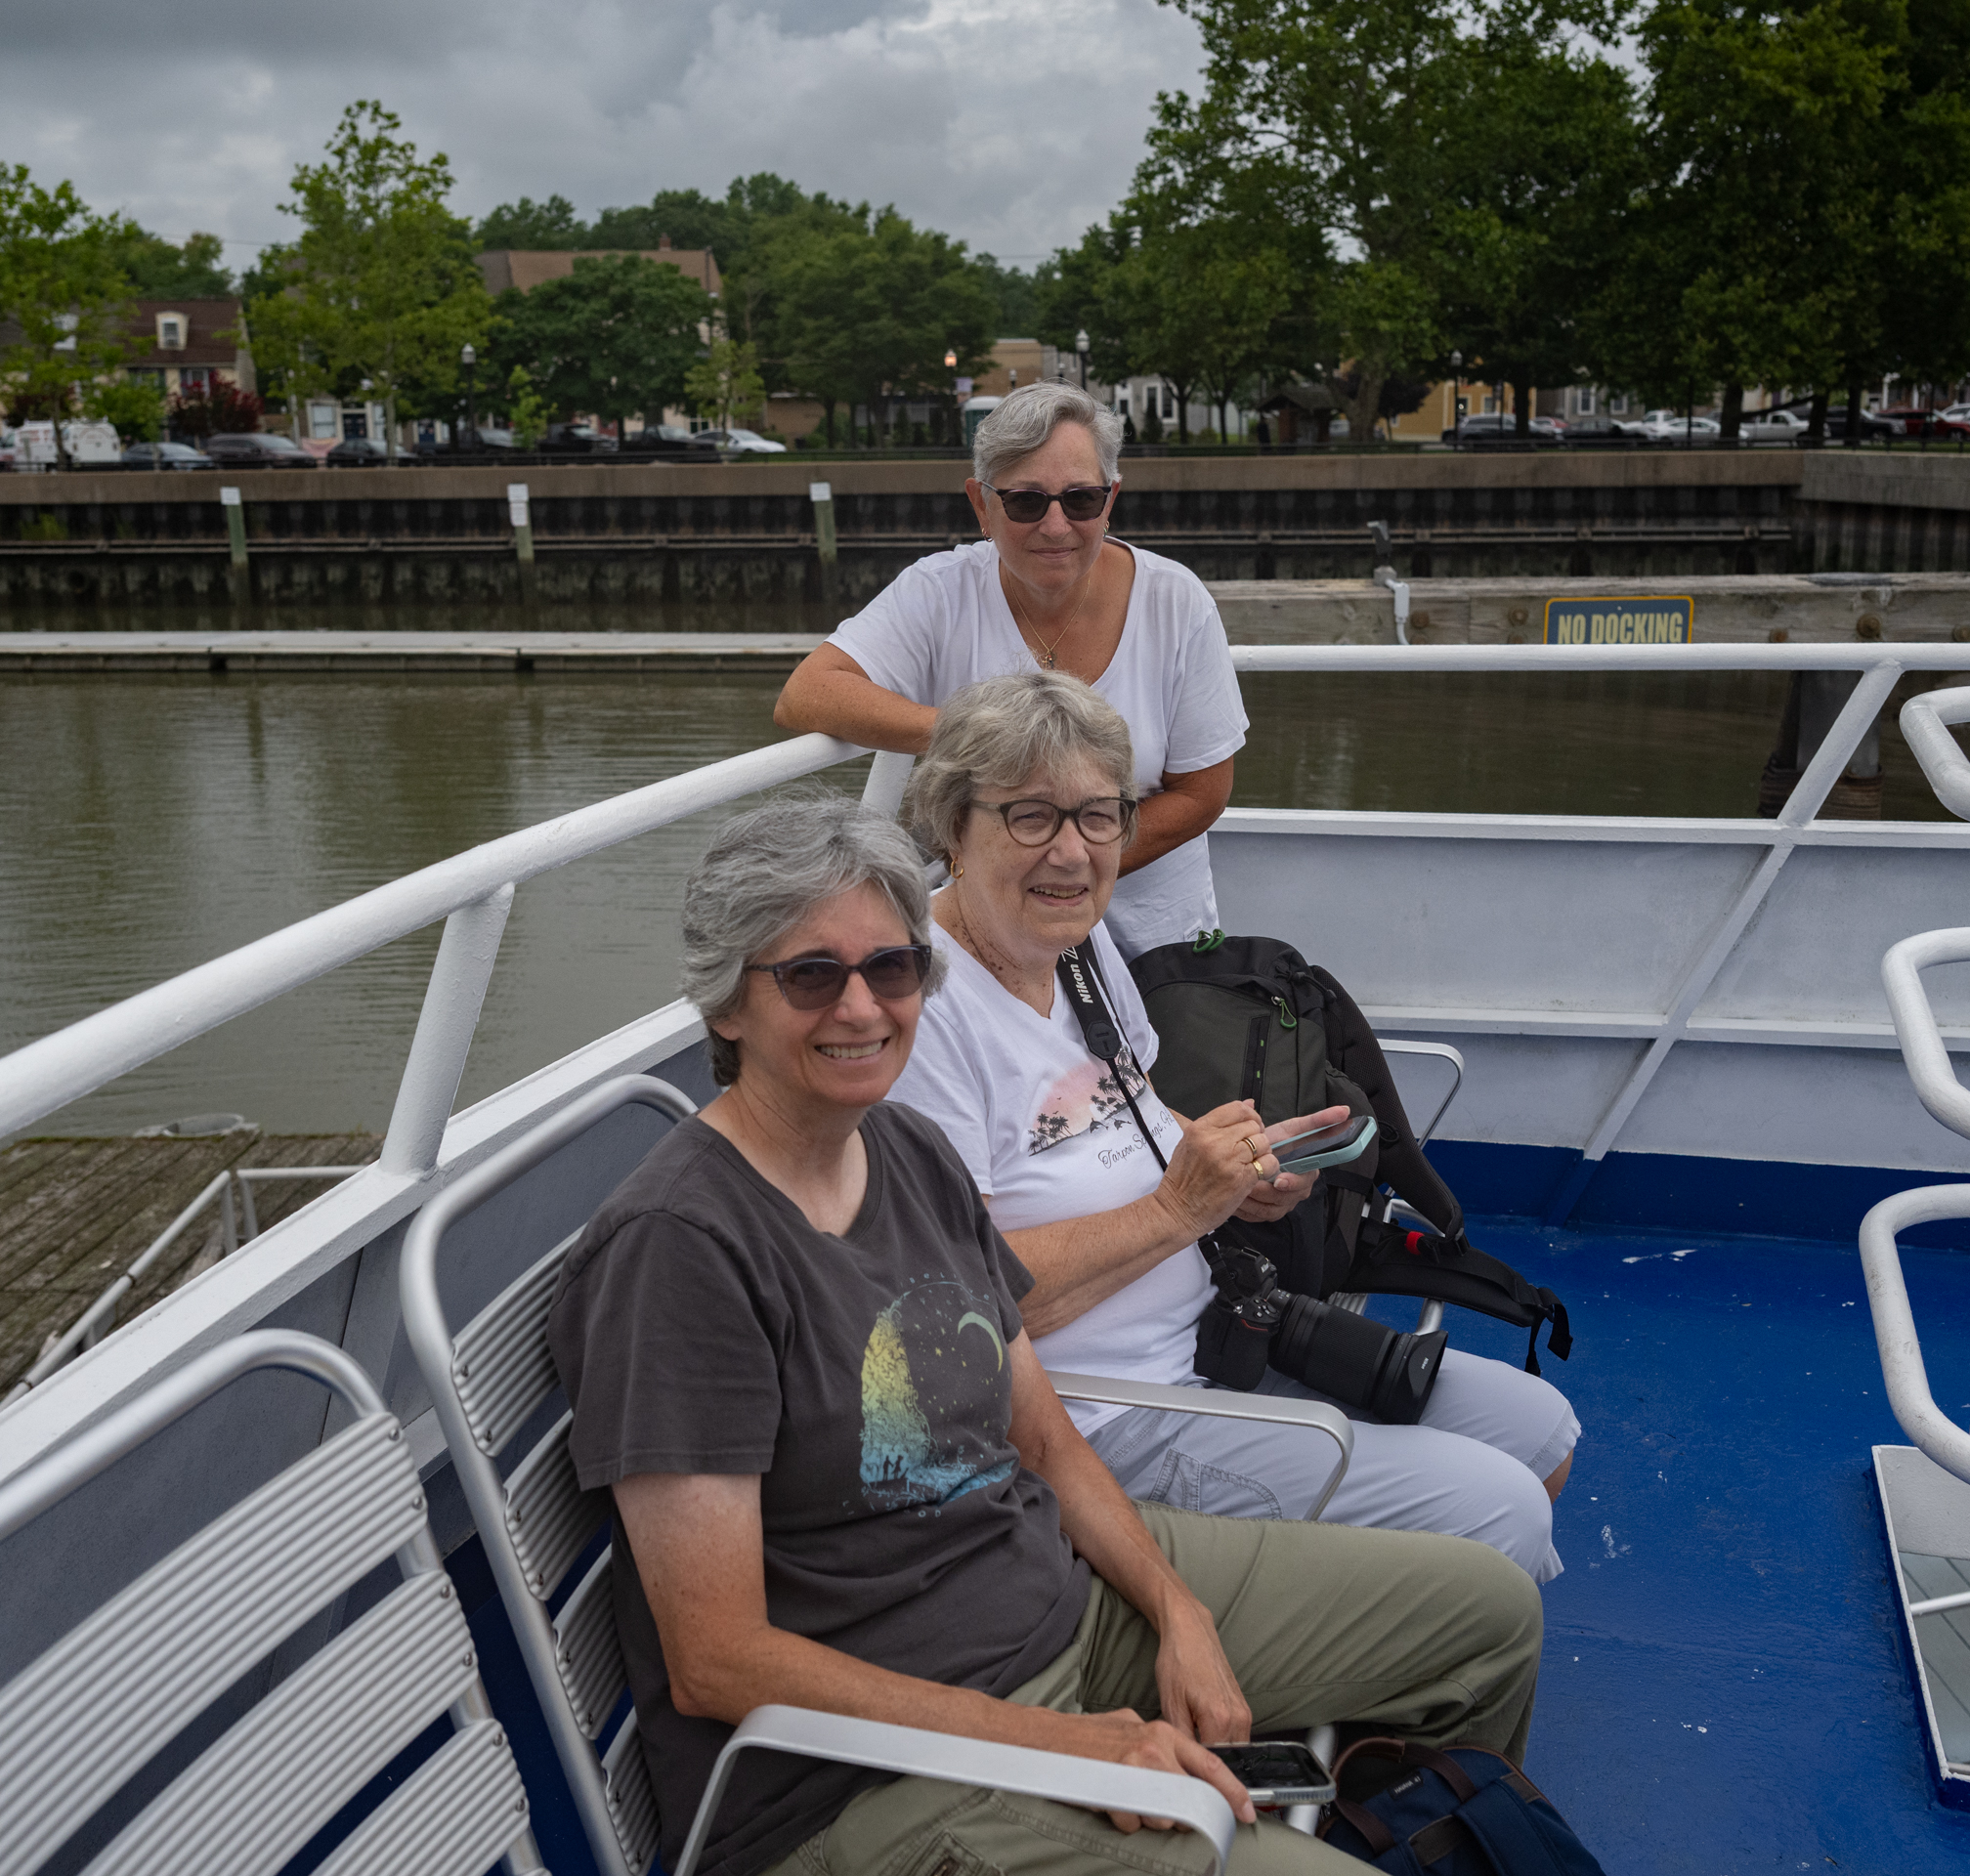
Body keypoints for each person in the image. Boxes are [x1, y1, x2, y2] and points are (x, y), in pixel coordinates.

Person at [548, 793, 1545, 1876]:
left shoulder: (910, 1153)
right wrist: (1061, 1743)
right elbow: (718, 1660)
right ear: (726, 1003)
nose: (862, 1006)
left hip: (1053, 1606)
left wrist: (1178, 1612)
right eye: (811, 975)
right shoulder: (679, 1253)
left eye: (893, 967)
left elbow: (1044, 1439)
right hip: (864, 1786)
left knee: (1489, 1620)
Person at [888, 671, 1579, 1583]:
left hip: (1221, 1326)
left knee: (1542, 1430)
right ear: (952, 826)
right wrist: (1180, 1208)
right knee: (1505, 1512)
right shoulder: (920, 1014)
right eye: (1031, 817)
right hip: (1101, 1413)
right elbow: (967, 1306)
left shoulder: (1074, 948)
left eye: (1099, 816)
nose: (1072, 852)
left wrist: (1243, 1173)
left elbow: (1133, 1107)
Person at [773, 380, 1243, 960]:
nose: (1055, 525)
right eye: (1026, 502)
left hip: (1151, 948)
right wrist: (979, 736)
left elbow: (1201, 794)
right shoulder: (940, 591)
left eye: (1081, 499)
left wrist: (1055, 874)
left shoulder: (1176, 602)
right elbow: (807, 692)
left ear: (1111, 500)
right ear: (982, 505)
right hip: (989, 942)